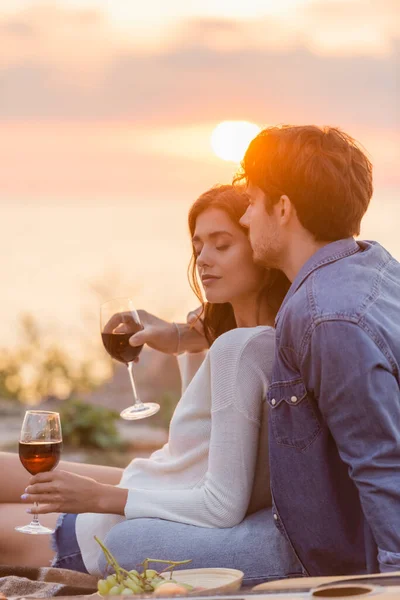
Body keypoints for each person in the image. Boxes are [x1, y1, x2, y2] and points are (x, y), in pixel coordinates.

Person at [100, 125, 400, 578]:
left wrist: (388, 583)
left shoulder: (325, 319)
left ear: (283, 208)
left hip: (323, 546)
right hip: (310, 512)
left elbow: (382, 466)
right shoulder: (371, 266)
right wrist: (186, 334)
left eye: (254, 202)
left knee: (114, 542)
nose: (245, 218)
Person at [0, 185, 302, 585]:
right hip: (155, 481)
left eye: (222, 245)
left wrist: (94, 496)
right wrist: (186, 337)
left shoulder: (241, 349)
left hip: (129, 514)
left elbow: (221, 505)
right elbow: (198, 444)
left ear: (261, 249)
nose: (203, 260)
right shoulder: (257, 337)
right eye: (198, 246)